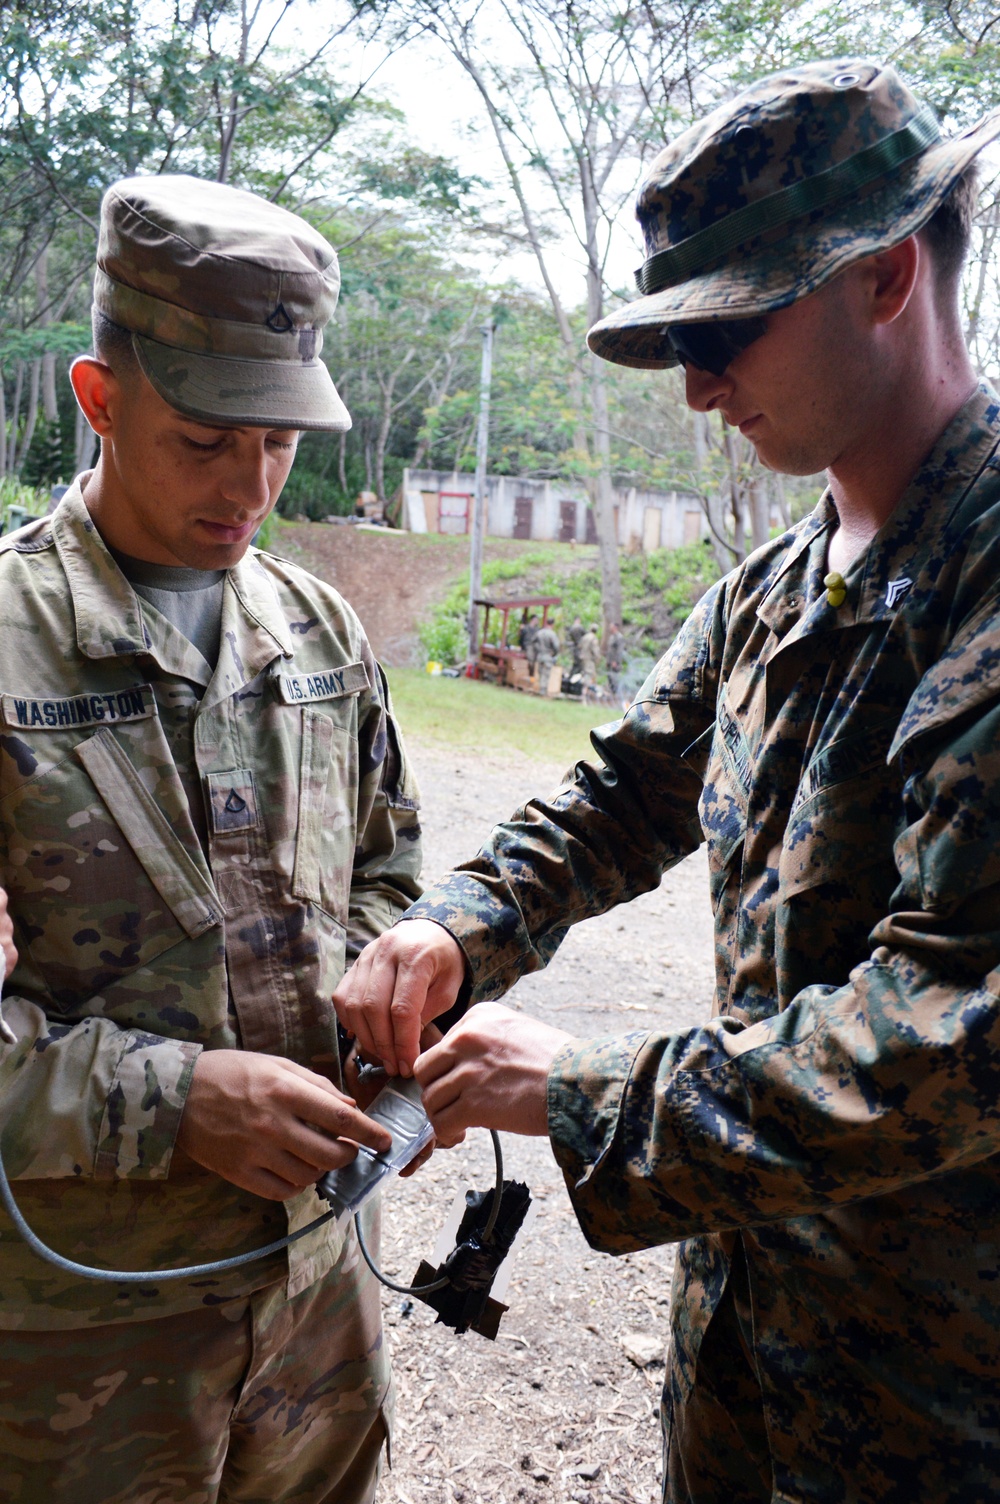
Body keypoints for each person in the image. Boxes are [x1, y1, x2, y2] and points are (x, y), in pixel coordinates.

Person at [334, 60, 1000, 1503]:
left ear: (887, 278)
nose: (697, 392)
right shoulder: (774, 590)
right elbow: (624, 795)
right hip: (754, 1331)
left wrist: (576, 1089)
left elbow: (952, 1026)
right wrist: (456, 926)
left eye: (729, 334)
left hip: (948, 1393)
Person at [0, 174, 424, 1503]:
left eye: (282, 442)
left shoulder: (319, 631)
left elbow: (387, 868)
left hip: (321, 1310)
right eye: (206, 438)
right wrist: (178, 1102)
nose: (251, 487)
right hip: (85, 1348)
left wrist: (389, 996)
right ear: (99, 394)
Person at [534, 618, 561, 689]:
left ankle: (539, 688)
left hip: (540, 655)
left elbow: (533, 642)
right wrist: (554, 654)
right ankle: (543, 690)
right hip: (548, 656)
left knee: (540, 672)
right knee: (546, 674)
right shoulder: (552, 634)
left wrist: (538, 649)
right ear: (553, 624)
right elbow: (556, 647)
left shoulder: (540, 632)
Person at [578, 622, 602, 700]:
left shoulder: (585, 637)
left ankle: (588, 693)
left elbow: (579, 646)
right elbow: (595, 650)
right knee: (589, 675)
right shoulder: (593, 638)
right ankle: (584, 694)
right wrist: (598, 659)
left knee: (586, 674)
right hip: (589, 660)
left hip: (582, 658)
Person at [605, 622, 625, 698]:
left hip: (615, 662)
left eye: (611, 627)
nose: (610, 628)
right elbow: (610, 650)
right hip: (610, 661)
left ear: (615, 627)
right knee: (610, 677)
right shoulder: (611, 637)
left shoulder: (619, 637)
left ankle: (615, 694)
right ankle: (611, 693)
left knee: (614, 678)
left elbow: (619, 651)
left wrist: (616, 661)